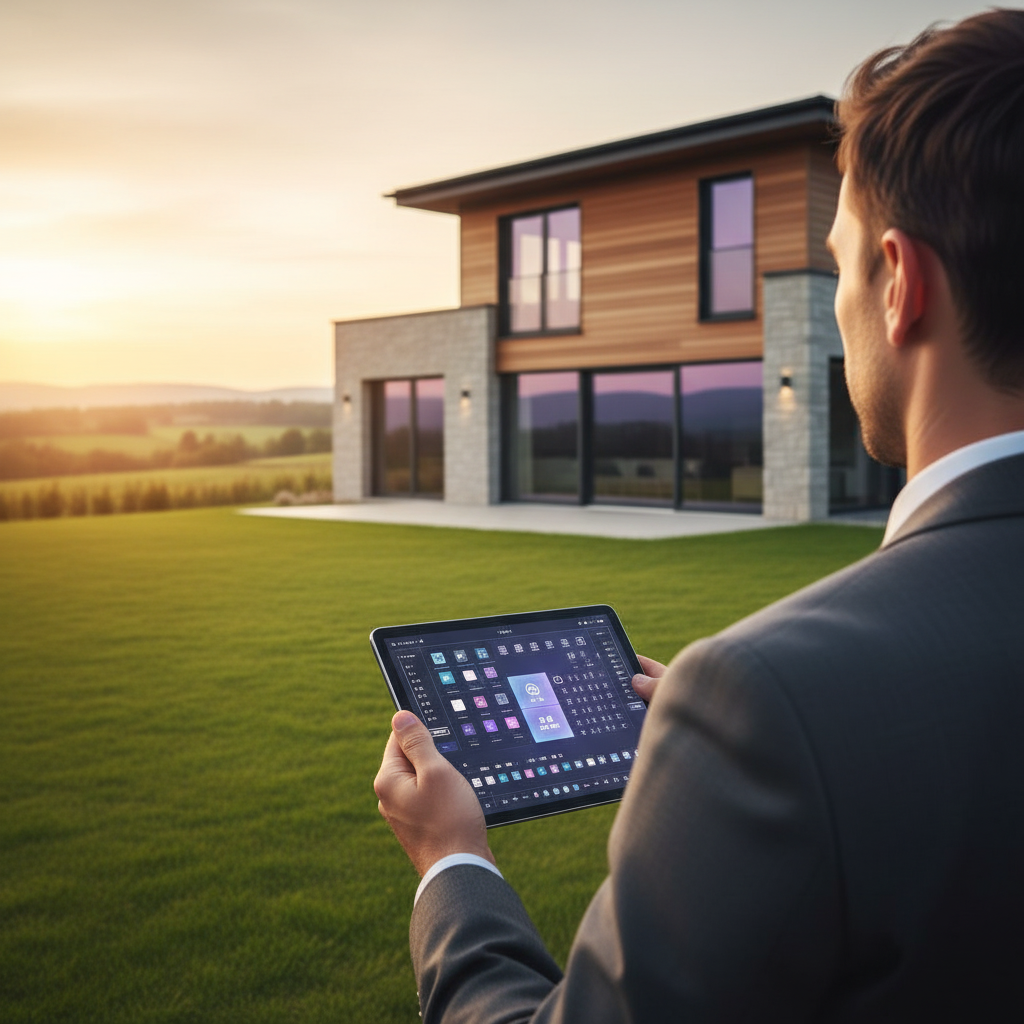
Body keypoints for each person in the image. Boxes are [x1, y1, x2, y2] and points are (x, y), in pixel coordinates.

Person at [374, 11, 1024, 1020]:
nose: (841, 303)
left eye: (840, 258)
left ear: (898, 285)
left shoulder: (772, 701)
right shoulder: (775, 706)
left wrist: (451, 860)